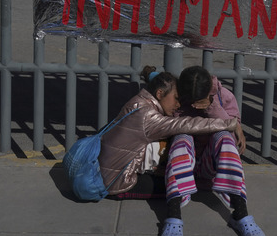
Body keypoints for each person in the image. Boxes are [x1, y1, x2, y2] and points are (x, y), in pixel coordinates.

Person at [98, 66, 237, 212]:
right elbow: (186, 124)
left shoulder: (141, 101)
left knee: (175, 177)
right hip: (116, 181)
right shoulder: (149, 117)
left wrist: (150, 74)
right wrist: (231, 124)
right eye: (177, 98)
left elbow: (164, 83)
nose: (178, 104)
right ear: (159, 93)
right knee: (179, 186)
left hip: (111, 168)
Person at [163, 65, 266, 236]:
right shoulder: (176, 96)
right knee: (181, 137)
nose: (195, 104)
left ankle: (240, 213)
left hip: (211, 168)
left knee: (225, 137)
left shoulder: (222, 95)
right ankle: (173, 214)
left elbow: (234, 128)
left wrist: (212, 106)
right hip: (184, 167)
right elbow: (169, 125)